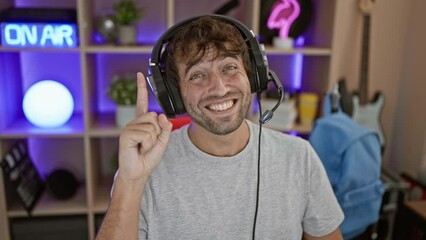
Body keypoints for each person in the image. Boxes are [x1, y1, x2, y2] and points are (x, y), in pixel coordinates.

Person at [96, 15, 344, 240]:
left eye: (229, 68)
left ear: (253, 75)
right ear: (175, 95)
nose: (220, 88)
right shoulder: (144, 169)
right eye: (197, 75)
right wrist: (130, 182)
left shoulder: (299, 157)